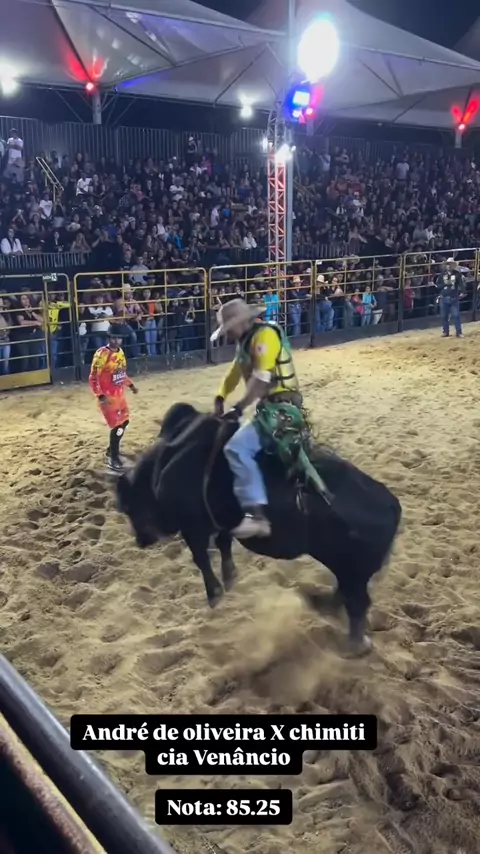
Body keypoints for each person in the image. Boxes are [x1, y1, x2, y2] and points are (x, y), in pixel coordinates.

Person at [212, 298, 301, 539]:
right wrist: (221, 395)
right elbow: (235, 372)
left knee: (236, 448)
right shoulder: (246, 342)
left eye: (228, 329)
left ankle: (257, 516)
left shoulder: (265, 336)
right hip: (270, 408)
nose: (227, 334)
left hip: (282, 409)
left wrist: (239, 407)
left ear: (240, 323)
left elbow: (261, 378)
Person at [89, 325, 138, 471]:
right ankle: (113, 457)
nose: (117, 341)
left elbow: (120, 373)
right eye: (114, 338)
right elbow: (93, 377)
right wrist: (100, 395)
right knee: (117, 427)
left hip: (119, 395)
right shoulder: (102, 354)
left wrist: (130, 385)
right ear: (109, 338)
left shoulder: (120, 352)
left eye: (119, 338)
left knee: (125, 422)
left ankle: (112, 449)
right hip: (108, 397)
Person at [436, 257, 464, 339]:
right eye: (448, 264)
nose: (449, 266)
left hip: (453, 297)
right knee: (444, 316)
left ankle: (458, 332)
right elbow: (438, 285)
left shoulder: (457, 274)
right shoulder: (442, 275)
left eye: (450, 264)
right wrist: (445, 284)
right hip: (444, 297)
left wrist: (463, 292)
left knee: (456, 315)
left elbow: (461, 284)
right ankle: (446, 331)